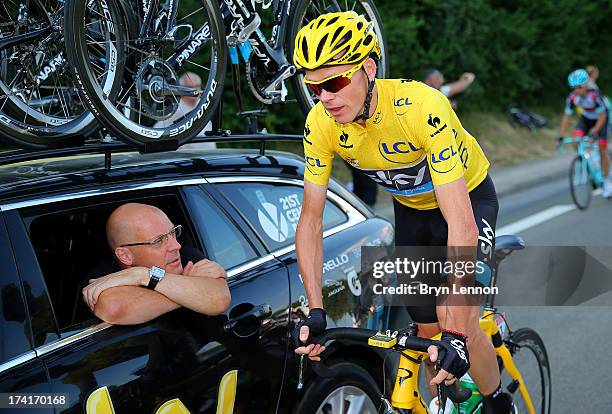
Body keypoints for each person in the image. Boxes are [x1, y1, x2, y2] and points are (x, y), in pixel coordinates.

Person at [292, 11, 512, 414]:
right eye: (313, 86)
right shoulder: (320, 124)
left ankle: (498, 401)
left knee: (454, 314)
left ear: (368, 69)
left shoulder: (421, 108)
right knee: (427, 331)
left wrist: (457, 333)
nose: (324, 97)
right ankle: (451, 396)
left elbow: (460, 223)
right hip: (411, 210)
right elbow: (310, 221)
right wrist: (315, 308)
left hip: (467, 200)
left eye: (335, 82)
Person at [82, 203, 231, 325]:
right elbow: (113, 308)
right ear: (125, 256)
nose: (176, 246)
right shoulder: (105, 275)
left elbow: (219, 299)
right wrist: (191, 295)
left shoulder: (186, 256)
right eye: (158, 241)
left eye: (172, 232)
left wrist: (143, 276)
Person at [560, 68, 611, 197]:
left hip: (601, 120)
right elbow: (566, 116)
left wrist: (595, 131)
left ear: (586, 85)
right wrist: (561, 135)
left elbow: (603, 116)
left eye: (579, 87)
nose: (576, 90)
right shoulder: (572, 98)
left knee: (602, 149)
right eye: (573, 88)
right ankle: (588, 164)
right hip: (586, 119)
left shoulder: (595, 95)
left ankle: (607, 181)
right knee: (576, 141)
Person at [154, 72, 216, 149]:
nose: (194, 90)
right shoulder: (176, 108)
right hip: (188, 157)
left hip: (210, 155)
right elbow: (157, 130)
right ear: (181, 89)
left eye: (197, 86)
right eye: (190, 87)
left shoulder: (203, 103)